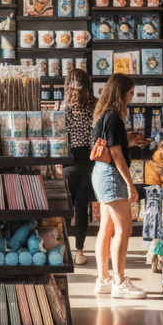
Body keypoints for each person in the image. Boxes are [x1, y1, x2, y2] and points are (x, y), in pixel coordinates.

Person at [91, 73, 145, 299]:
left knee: (107, 229)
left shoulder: (102, 115)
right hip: (112, 175)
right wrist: (130, 184)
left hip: (100, 174)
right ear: (120, 92)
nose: (131, 98)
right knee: (125, 229)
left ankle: (104, 279)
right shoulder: (114, 117)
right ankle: (119, 282)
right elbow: (115, 153)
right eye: (130, 93)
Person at [62, 69, 96, 267]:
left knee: (66, 209)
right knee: (82, 207)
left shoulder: (64, 107)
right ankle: (80, 252)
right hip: (90, 162)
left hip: (69, 161)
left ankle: (64, 251)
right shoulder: (95, 104)